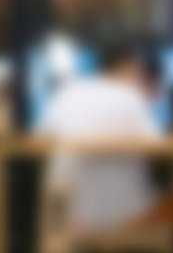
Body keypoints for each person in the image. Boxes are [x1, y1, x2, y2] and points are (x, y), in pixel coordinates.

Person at [39, 45, 161, 233]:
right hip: (126, 220)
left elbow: (42, 140)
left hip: (67, 217)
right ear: (130, 67)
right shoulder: (131, 96)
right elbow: (158, 149)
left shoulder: (67, 94)